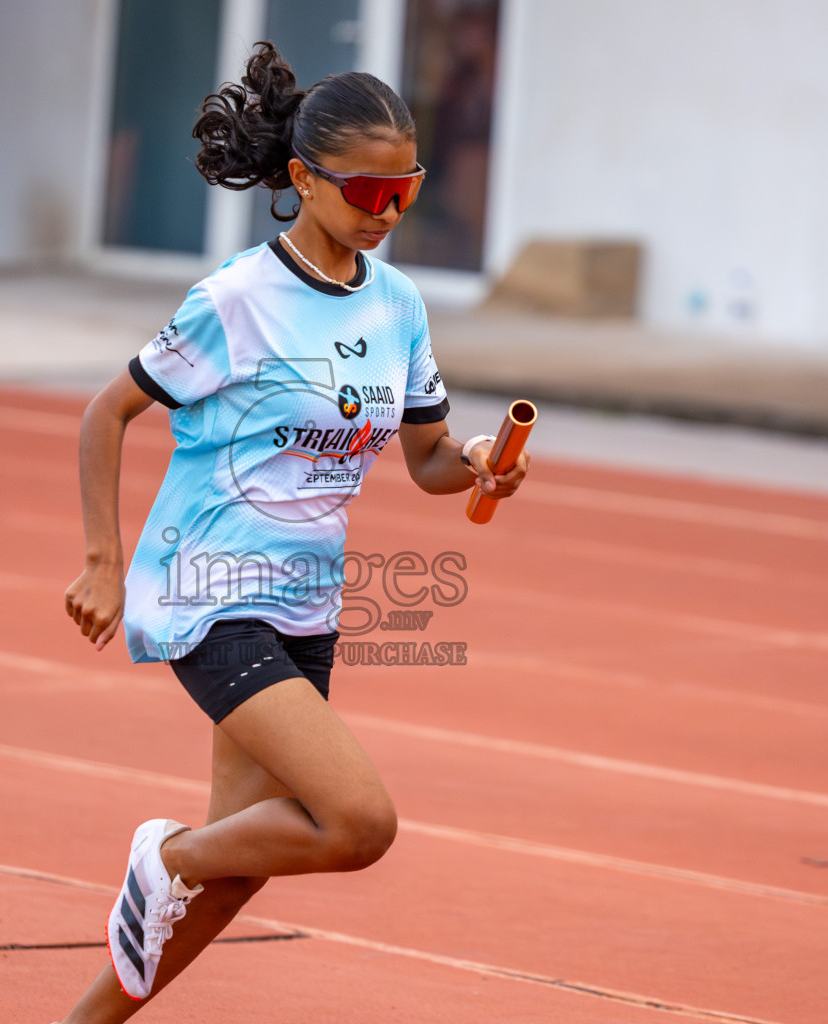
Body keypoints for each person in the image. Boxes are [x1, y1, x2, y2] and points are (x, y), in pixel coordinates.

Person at [56, 41, 530, 1022]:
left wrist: (481, 462)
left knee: (241, 865)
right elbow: (108, 412)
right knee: (356, 821)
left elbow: (429, 461)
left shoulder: (397, 306)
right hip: (208, 590)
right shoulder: (238, 300)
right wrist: (103, 562)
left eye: (407, 190)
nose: (387, 212)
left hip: (308, 602)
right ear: (305, 179)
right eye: (367, 192)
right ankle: (166, 853)